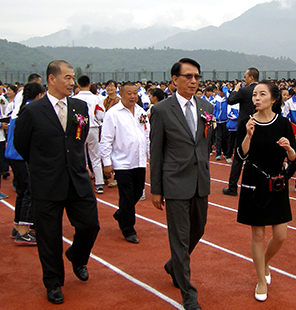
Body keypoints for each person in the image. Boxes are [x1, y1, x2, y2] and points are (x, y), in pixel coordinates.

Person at [14, 60, 100, 304]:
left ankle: (77, 256)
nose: (72, 82)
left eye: (74, 78)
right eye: (68, 78)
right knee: (49, 237)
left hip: (77, 180)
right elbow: (22, 144)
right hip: (47, 183)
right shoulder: (33, 111)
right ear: (52, 79)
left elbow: (79, 139)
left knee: (90, 225)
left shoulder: (80, 107)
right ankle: (53, 282)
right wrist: (44, 165)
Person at [150, 58, 214, 310]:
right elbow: (156, 151)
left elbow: (205, 143)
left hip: (200, 181)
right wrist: (156, 188)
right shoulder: (162, 110)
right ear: (175, 80)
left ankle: (172, 265)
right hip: (174, 182)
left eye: (197, 76)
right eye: (188, 76)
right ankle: (189, 293)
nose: (193, 81)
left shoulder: (206, 106)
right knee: (179, 237)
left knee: (198, 229)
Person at [235, 80, 296, 301]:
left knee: (280, 235)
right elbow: (240, 156)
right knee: (258, 234)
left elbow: (295, 158)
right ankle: (261, 279)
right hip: (254, 183)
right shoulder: (247, 122)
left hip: (276, 183)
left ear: (273, 99)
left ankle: (265, 261)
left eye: (262, 94)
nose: (256, 98)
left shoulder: (283, 123)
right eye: (254, 95)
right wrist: (248, 136)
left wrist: (289, 149)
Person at [100, 82, 150, 243]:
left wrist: (150, 155)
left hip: (139, 161)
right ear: (121, 94)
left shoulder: (141, 112)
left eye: (135, 93)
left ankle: (121, 213)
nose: (133, 96)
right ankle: (128, 229)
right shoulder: (113, 114)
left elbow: (146, 135)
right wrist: (106, 162)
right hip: (122, 162)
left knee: (137, 192)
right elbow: (106, 140)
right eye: (129, 93)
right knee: (127, 196)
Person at [6, 82, 46, 244]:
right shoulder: (32, 111)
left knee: (22, 192)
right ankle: (23, 232)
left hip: (13, 156)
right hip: (22, 157)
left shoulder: (19, 110)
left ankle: (17, 226)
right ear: (38, 95)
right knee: (29, 192)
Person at [222, 68, 259, 196]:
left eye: (245, 77)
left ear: (251, 78)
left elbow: (230, 100)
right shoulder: (264, 90)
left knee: (239, 156)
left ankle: (232, 187)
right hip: (260, 124)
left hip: (244, 126)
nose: (244, 80)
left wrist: (236, 90)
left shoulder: (244, 90)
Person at [73, 75, 105, 194]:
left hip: (79, 128)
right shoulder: (96, 99)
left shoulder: (74, 98)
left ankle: (81, 183)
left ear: (78, 85)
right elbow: (101, 115)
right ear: (90, 84)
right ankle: (99, 183)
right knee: (95, 156)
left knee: (80, 156)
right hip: (93, 128)